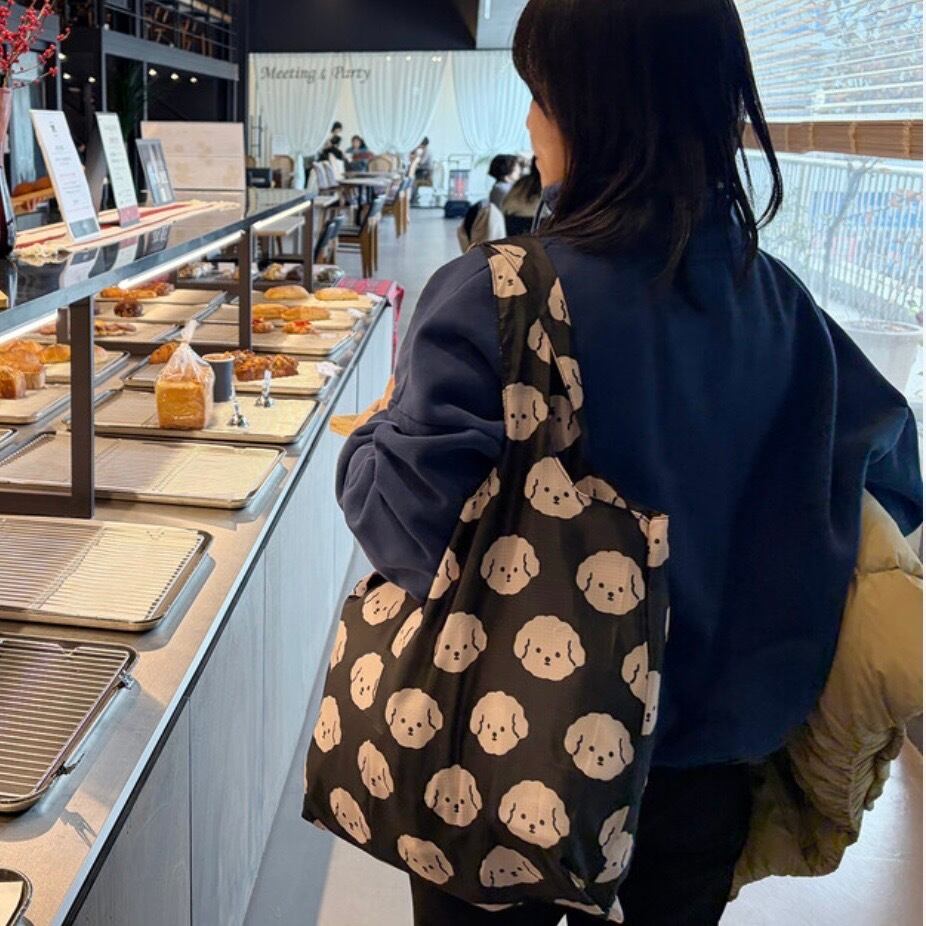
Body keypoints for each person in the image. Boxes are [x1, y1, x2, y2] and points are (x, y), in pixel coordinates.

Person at [336, 1, 922, 924]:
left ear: (590, 109)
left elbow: (415, 537)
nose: (530, 120)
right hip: (708, 772)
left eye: (540, 94)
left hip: (504, 750)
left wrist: (370, 438)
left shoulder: (496, 296)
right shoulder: (784, 308)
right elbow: (890, 491)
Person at [502, 155, 543, 234]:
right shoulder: (551, 184)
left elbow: (505, 206)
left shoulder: (521, 182)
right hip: (539, 228)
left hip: (512, 226)